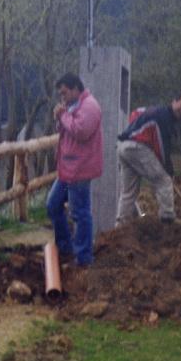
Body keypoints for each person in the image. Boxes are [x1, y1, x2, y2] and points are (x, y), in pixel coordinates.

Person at [47, 73, 103, 266]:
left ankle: (84, 258)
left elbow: (80, 131)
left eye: (64, 93)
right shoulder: (74, 106)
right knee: (53, 204)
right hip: (68, 168)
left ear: (75, 89)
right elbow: (66, 131)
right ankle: (66, 248)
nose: (62, 97)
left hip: (80, 168)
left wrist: (62, 115)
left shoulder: (90, 106)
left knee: (80, 213)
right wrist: (60, 118)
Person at [115, 94, 181, 225]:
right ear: (174, 101)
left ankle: (120, 226)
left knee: (129, 192)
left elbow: (136, 112)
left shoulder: (156, 111)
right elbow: (162, 148)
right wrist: (169, 171)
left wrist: (137, 129)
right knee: (164, 180)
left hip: (123, 146)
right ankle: (167, 220)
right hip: (137, 147)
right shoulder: (165, 117)